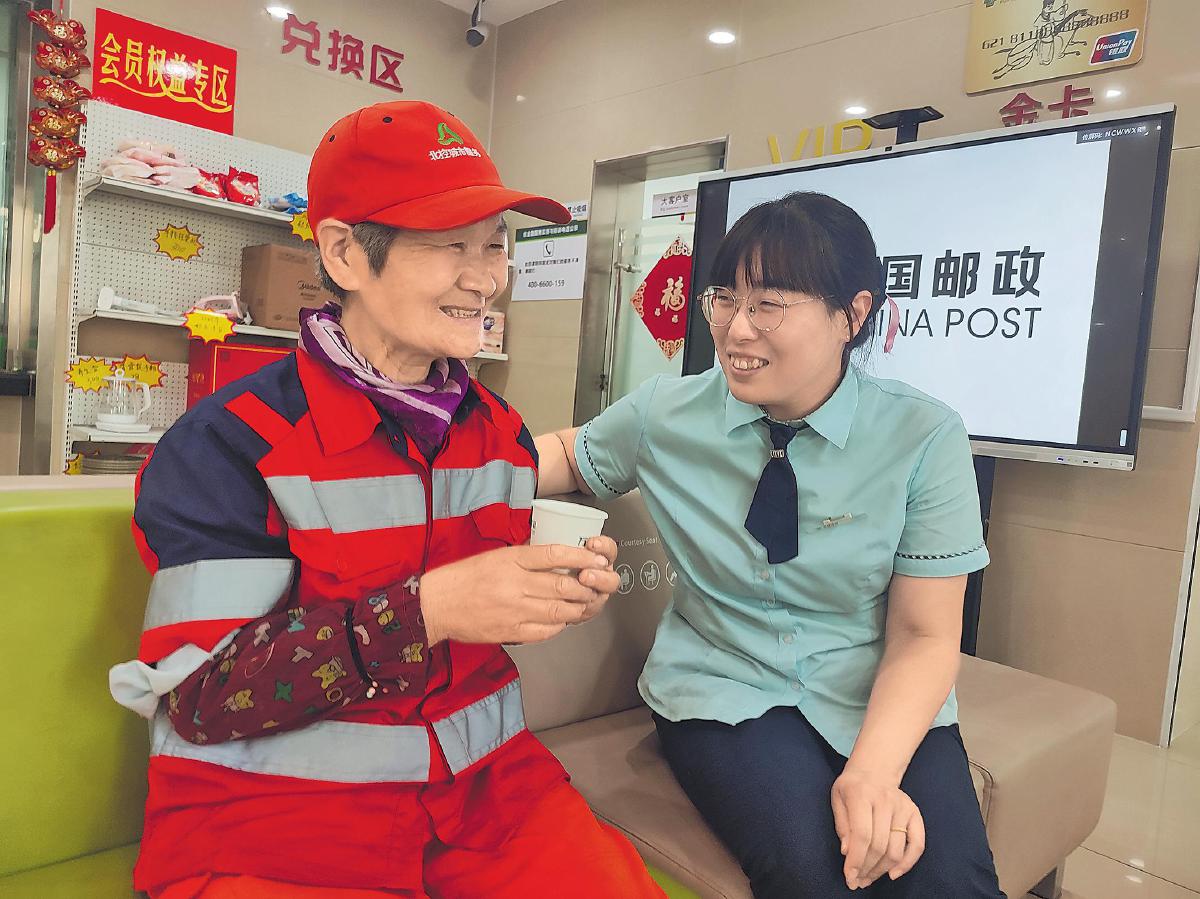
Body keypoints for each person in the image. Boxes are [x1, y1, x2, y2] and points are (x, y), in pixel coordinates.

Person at [109, 100, 665, 899]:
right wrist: (430, 609)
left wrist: (557, 583)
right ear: (343, 252)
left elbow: (488, 591)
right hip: (273, 822)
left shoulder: (497, 431)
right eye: (450, 245)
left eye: (494, 243)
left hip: (486, 797)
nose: (485, 277)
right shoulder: (228, 446)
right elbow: (205, 695)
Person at [536, 192, 1007, 898]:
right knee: (812, 871)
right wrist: (440, 462)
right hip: (721, 685)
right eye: (726, 299)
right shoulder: (667, 413)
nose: (736, 330)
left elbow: (924, 633)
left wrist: (873, 773)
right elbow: (567, 456)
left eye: (770, 305)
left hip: (868, 683)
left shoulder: (923, 436)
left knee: (947, 880)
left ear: (853, 314)